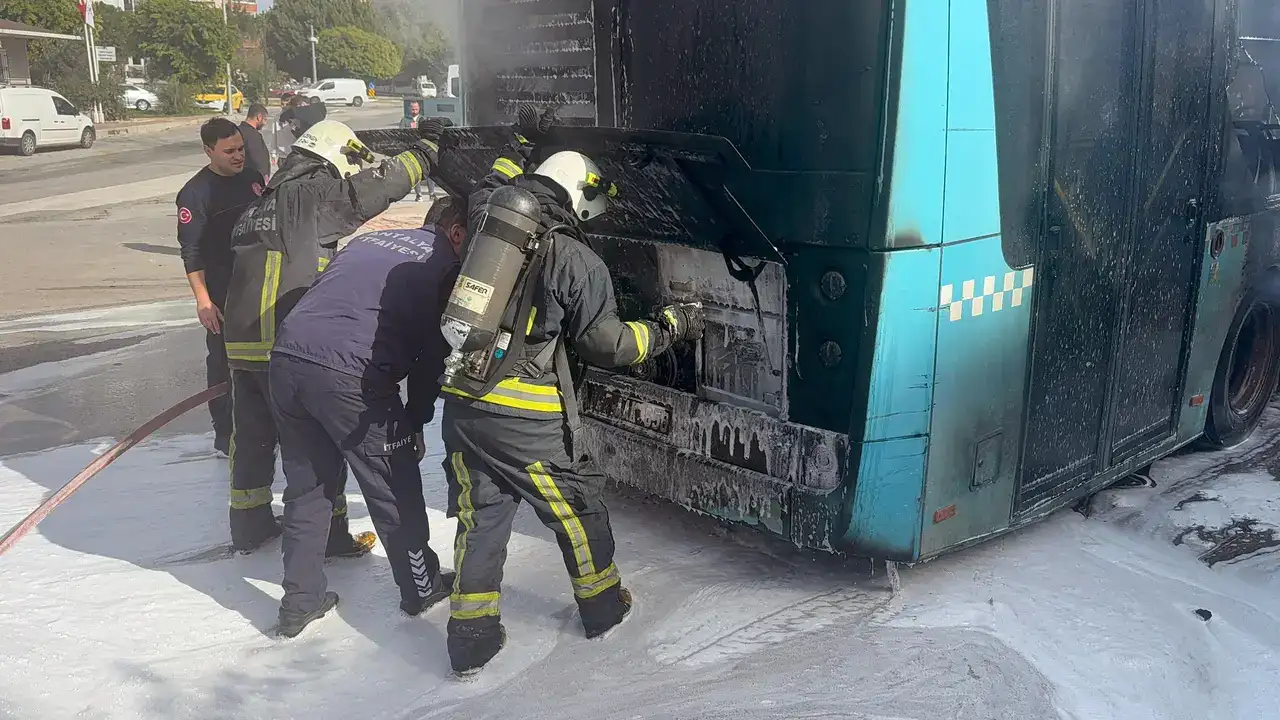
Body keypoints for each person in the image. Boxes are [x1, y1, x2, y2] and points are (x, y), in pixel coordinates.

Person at [438, 110, 707, 675]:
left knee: (480, 519)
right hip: (525, 418)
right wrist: (669, 327)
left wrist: (519, 140)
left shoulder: (489, 216)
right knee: (578, 512)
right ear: (579, 197)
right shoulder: (578, 259)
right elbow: (609, 346)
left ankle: (471, 637)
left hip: (464, 401)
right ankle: (604, 609)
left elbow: (495, 177)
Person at [219, 116, 443, 578]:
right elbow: (370, 191)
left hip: (242, 345)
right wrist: (425, 154)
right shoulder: (309, 195)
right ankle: (336, 537)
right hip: (285, 339)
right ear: (331, 160)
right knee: (315, 448)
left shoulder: (258, 206)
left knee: (253, 440)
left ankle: (250, 524)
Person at [265, 197, 468, 638]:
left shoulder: (368, 241)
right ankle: (421, 588)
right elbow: (433, 357)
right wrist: (412, 421)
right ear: (456, 231)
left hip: (285, 360)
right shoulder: (444, 264)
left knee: (307, 488)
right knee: (393, 484)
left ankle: (299, 602)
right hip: (349, 378)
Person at [174, 118, 264, 457]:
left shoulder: (254, 180)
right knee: (224, 363)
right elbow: (191, 253)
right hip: (222, 293)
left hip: (258, 286)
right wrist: (203, 301)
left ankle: (263, 425)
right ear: (209, 151)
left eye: (240, 148)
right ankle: (225, 434)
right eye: (229, 151)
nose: (238, 156)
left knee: (263, 361)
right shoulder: (195, 194)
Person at [398, 101, 436, 201]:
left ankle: (432, 193)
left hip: (424, 150)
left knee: (430, 172)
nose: (414, 110)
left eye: (416, 108)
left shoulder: (423, 119)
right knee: (416, 173)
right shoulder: (405, 120)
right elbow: (400, 134)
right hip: (411, 150)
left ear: (419, 109)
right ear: (409, 109)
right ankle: (418, 194)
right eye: (412, 109)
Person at [238, 103, 271, 181]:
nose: (265, 123)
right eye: (265, 119)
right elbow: (258, 160)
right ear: (259, 117)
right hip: (253, 181)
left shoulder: (237, 131)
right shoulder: (253, 136)